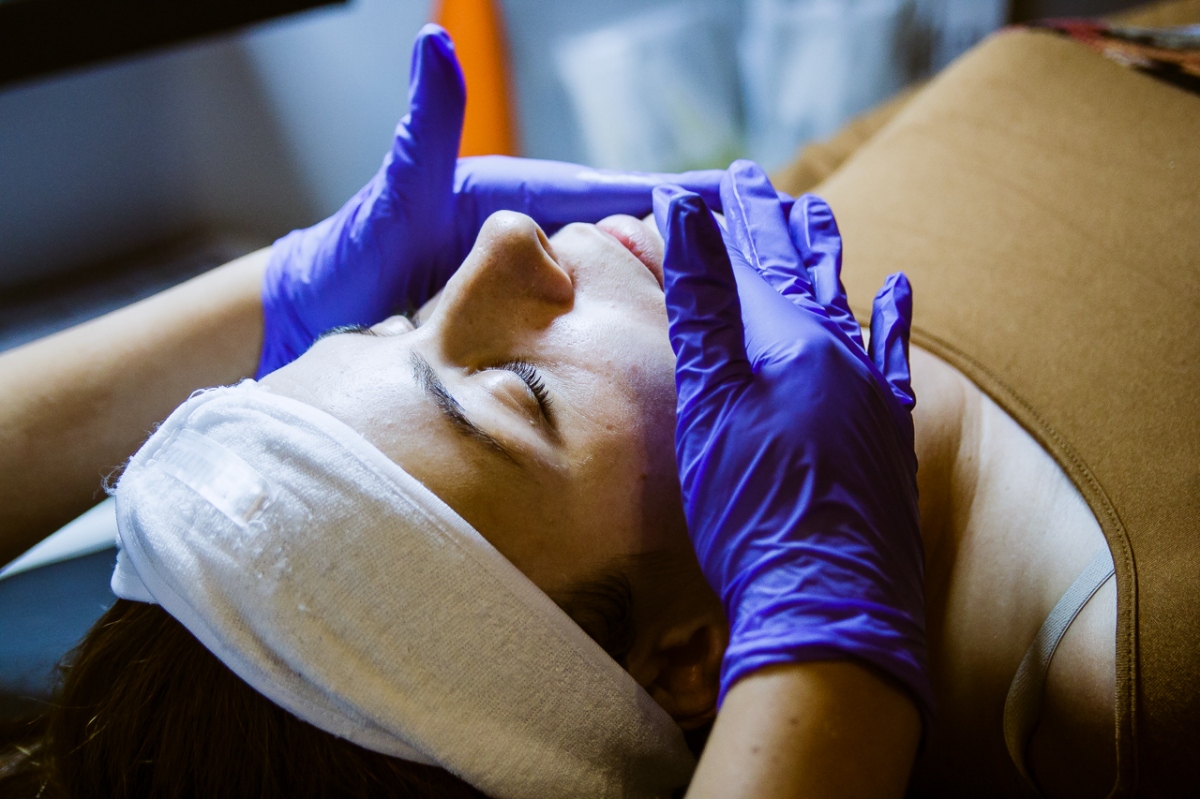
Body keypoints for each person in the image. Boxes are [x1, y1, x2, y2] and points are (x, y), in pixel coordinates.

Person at [0, 25, 1122, 799]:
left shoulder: (788, 224)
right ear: (689, 660)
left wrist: (283, 287)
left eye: (396, 316)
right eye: (519, 390)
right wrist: (825, 625)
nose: (495, 246)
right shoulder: (1128, 669)